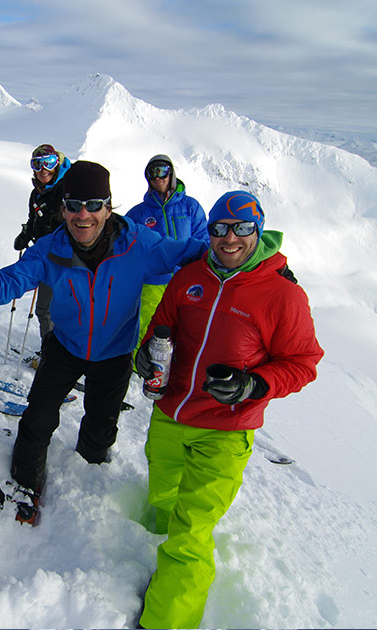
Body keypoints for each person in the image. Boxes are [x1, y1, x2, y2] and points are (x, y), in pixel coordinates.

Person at [0, 161, 207, 524]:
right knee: (37, 420)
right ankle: (25, 484)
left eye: (93, 205)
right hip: (65, 348)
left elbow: (191, 253)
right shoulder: (49, 248)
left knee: (100, 431)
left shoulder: (138, 243)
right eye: (73, 205)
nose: (82, 215)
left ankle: (87, 486)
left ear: (108, 206)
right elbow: (2, 288)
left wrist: (257, 262)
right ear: (63, 208)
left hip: (115, 355)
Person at [134, 191, 324, 628]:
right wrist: (144, 358)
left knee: (190, 535)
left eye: (241, 228)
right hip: (170, 416)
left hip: (224, 431)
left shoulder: (283, 295)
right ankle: (159, 569)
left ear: (258, 231)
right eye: (220, 228)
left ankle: (165, 621)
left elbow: (303, 363)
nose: (230, 238)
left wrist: (254, 384)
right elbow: (160, 332)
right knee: (164, 502)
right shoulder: (190, 277)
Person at [125, 154, 208, 350]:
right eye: (152, 173)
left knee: (186, 325)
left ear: (171, 173)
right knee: (147, 324)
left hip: (187, 279)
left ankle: (178, 367)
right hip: (152, 281)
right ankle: (141, 367)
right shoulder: (139, 213)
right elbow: (126, 245)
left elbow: (204, 239)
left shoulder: (190, 206)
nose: (157, 177)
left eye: (162, 171)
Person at [13, 144, 72, 344]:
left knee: (48, 309)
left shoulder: (65, 190)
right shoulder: (36, 193)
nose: (43, 170)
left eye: (48, 163)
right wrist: (26, 234)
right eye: (37, 165)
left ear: (57, 165)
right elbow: (33, 219)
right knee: (48, 309)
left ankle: (54, 354)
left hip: (63, 258)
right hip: (44, 256)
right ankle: (54, 351)